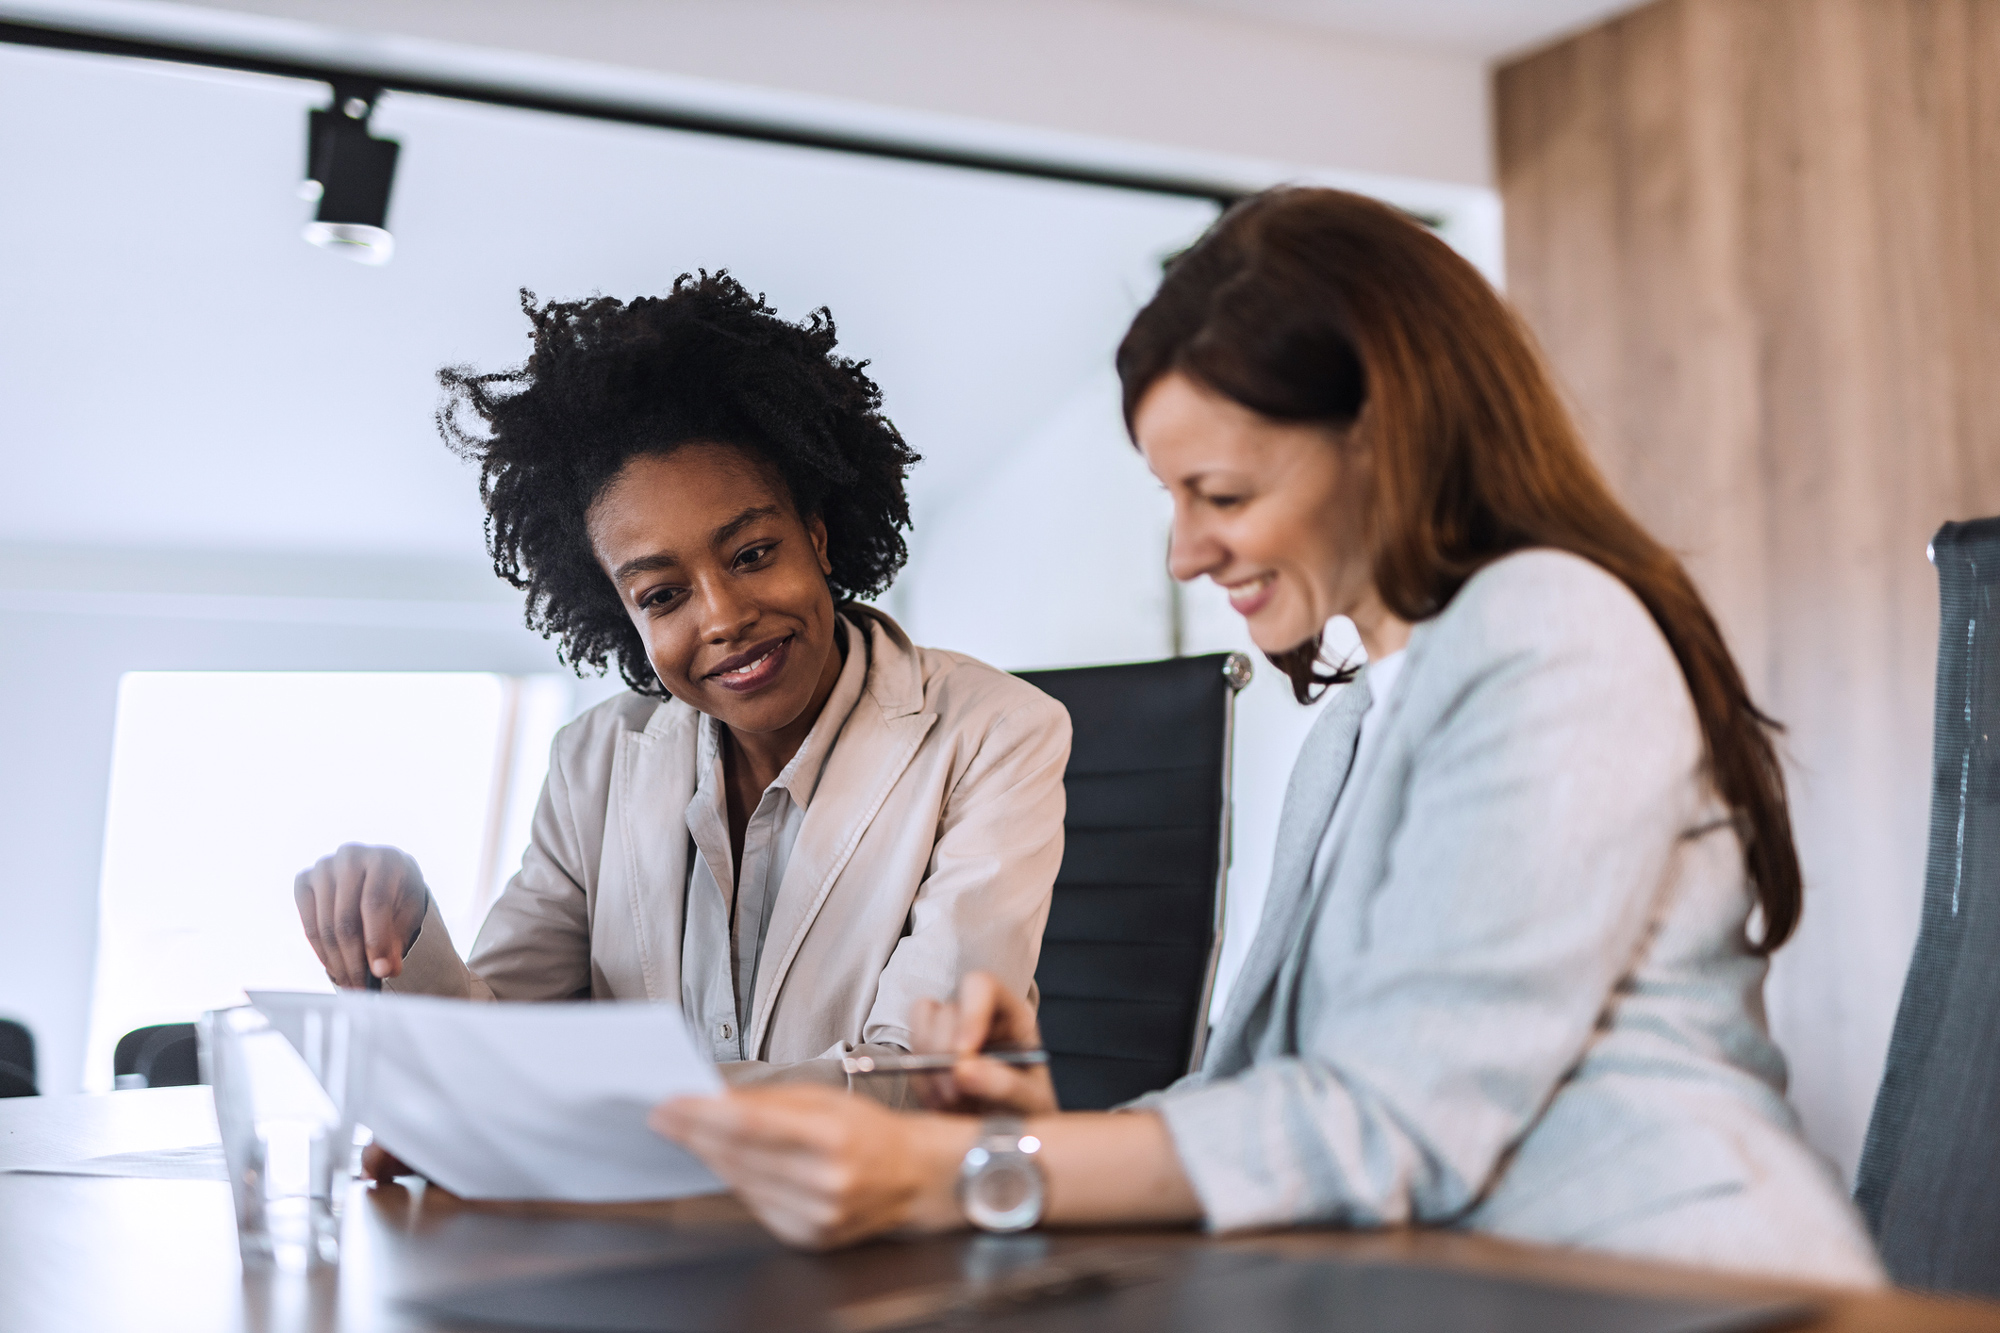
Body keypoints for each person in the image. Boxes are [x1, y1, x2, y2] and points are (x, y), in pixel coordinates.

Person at [648, 190, 1886, 1286]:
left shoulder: (1549, 632)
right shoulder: (1355, 722)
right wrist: (1018, 1127)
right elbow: (1268, 1101)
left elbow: (1385, 1121)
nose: (1185, 553)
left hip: (1659, 1284)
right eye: (1172, 499)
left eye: (1222, 495)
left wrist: (965, 1178)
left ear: (1383, 438)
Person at [291, 274, 1069, 1089]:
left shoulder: (995, 731)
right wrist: (414, 933)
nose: (723, 616)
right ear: (622, 613)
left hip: (882, 1214)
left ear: (818, 534)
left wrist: (614, 1102)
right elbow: (494, 1057)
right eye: (663, 595)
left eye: (753, 553)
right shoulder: (594, 762)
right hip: (644, 1212)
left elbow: (925, 1075)